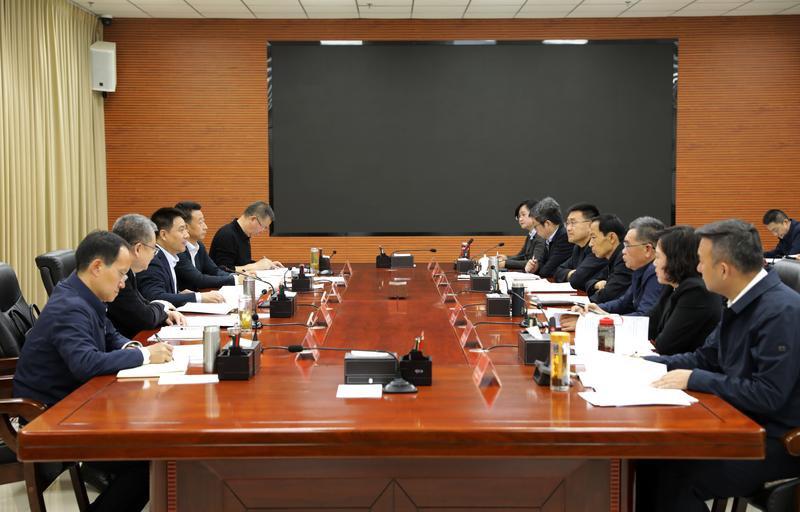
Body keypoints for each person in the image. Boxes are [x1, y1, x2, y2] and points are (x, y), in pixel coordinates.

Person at [637, 219, 800, 512]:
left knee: (674, 478)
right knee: (648, 458)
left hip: (774, 440)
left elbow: (768, 395)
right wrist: (640, 364)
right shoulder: (740, 301)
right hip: (739, 423)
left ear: (724, 269)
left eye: (701, 261)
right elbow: (706, 358)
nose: (698, 268)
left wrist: (695, 379)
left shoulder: (780, 312)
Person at [13, 230, 173, 512]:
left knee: (154, 450)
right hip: (51, 414)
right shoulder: (70, 306)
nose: (123, 283)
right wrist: (145, 355)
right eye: (121, 274)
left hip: (78, 401)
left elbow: (110, 334)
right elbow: (85, 363)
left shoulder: (84, 295)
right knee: (148, 460)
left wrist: (131, 347)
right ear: (98, 266)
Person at [108, 214, 187, 339]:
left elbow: (143, 305)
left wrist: (165, 314)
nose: (154, 254)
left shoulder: (128, 271)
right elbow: (144, 318)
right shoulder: (116, 276)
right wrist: (162, 307)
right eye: (153, 248)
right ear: (138, 249)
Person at [647, 225, 722, 355]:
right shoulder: (673, 285)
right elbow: (649, 325)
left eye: (658, 257)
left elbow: (665, 345)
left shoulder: (696, 291)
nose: (654, 263)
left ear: (675, 259)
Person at [137, 208, 225, 307]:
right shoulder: (152, 259)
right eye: (181, 230)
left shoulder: (167, 256)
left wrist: (178, 294)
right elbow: (155, 297)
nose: (187, 235)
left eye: (186, 230)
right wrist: (199, 297)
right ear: (163, 235)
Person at [583, 216, 664, 316]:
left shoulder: (656, 273)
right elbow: (623, 302)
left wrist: (609, 318)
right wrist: (596, 308)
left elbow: (644, 317)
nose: (623, 251)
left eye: (627, 246)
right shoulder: (640, 270)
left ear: (647, 249)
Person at [174, 201, 236, 290]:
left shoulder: (199, 245)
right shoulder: (178, 250)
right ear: (186, 227)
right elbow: (199, 280)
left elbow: (214, 271)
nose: (205, 227)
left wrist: (235, 277)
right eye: (200, 222)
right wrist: (235, 280)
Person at [209, 201, 283, 272]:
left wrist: (266, 265)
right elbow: (224, 270)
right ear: (253, 219)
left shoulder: (243, 234)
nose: (262, 231)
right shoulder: (227, 235)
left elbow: (242, 264)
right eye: (263, 227)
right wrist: (256, 266)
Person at [553, 203, 606, 291]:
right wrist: (571, 273)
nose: (568, 228)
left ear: (591, 225)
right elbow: (557, 271)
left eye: (573, 223)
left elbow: (577, 279)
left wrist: (574, 275)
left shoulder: (597, 248)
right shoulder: (577, 247)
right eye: (567, 223)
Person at [585, 214, 632, 303]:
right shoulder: (611, 257)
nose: (590, 244)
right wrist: (596, 284)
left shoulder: (624, 259)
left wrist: (583, 304)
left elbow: (607, 296)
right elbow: (589, 282)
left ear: (611, 237)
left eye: (593, 237)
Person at [525, 197, 573, 278]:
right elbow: (543, 264)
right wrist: (535, 267)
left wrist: (538, 268)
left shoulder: (564, 237)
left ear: (547, 224)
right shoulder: (548, 237)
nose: (535, 230)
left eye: (535, 226)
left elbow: (547, 271)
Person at [498, 200, 546, 272]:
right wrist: (506, 258)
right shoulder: (530, 235)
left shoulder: (541, 236)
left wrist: (505, 263)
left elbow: (534, 263)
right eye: (519, 216)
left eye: (523, 215)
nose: (520, 219)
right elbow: (521, 256)